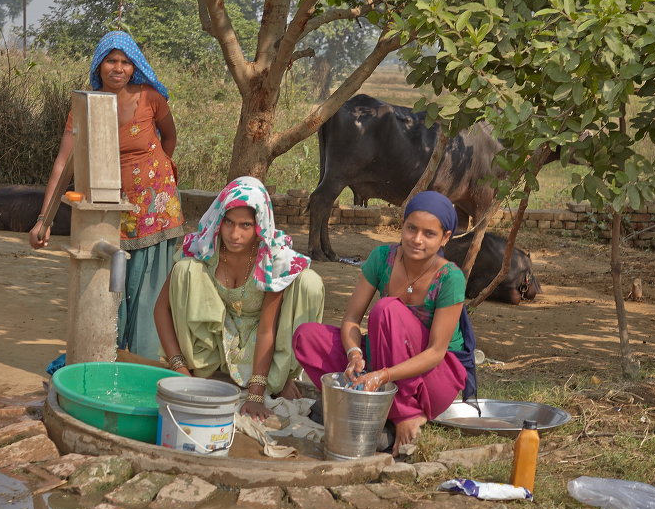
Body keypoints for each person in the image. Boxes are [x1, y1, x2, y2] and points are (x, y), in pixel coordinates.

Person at [29, 31, 185, 359]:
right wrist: (43, 219)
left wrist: (158, 176)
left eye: (126, 62)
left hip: (157, 209)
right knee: (110, 285)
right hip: (111, 207)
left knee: (149, 292)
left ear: (135, 67)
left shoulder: (150, 98)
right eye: (111, 61)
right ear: (99, 65)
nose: (118, 68)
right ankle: (109, 358)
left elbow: (169, 138)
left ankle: (142, 363)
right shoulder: (85, 106)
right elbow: (64, 164)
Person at [292, 191, 476, 454]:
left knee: (387, 309)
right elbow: (351, 320)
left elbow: (436, 352)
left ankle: (403, 415)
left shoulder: (449, 277)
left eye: (429, 234)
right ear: (402, 225)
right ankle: (375, 411)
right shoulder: (382, 259)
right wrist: (354, 354)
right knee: (307, 336)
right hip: (384, 359)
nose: (417, 239)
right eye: (411, 228)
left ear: (446, 237)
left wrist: (383, 376)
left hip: (433, 378)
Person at [153, 176, 325, 421]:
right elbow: (161, 309)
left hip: (263, 343)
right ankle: (201, 372)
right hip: (215, 345)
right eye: (229, 223)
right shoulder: (203, 248)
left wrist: (256, 395)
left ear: (259, 226)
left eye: (246, 225)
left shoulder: (272, 258)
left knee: (309, 282)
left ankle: (280, 379)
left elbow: (267, 329)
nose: (234, 234)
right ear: (219, 221)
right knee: (185, 269)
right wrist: (179, 367)